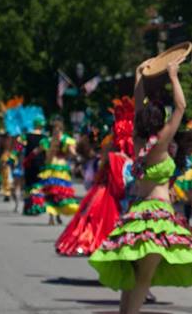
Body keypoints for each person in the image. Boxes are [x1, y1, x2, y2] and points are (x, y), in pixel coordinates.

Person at [89, 60, 192, 314]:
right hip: (157, 214)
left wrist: (139, 76)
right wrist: (173, 77)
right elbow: (181, 107)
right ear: (160, 121)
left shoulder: (139, 140)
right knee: (145, 275)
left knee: (135, 270)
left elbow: (139, 106)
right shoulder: (161, 141)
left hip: (137, 211)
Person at [56, 98, 135, 257]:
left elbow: (102, 166)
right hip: (126, 189)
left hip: (106, 188)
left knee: (95, 217)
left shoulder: (109, 145)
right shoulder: (134, 144)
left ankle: (92, 242)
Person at [38, 121, 79, 224]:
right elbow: (42, 152)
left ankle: (57, 214)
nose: (56, 132)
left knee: (58, 193)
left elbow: (72, 152)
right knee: (53, 192)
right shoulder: (49, 141)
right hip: (54, 169)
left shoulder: (64, 140)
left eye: (57, 130)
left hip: (59, 169)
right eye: (55, 130)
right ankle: (53, 216)